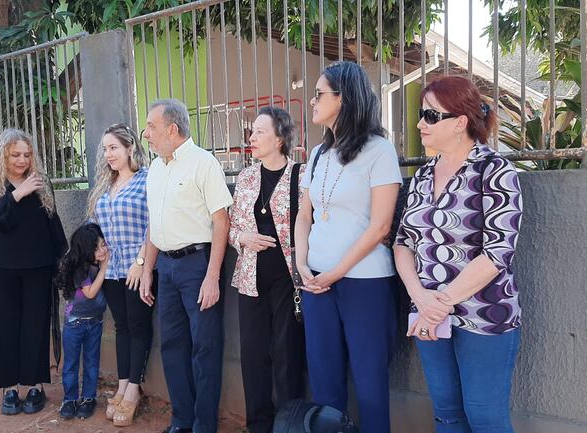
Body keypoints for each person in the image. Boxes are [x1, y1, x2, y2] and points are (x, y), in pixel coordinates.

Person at [394, 75, 523, 433]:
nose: (421, 124)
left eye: (431, 116)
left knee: (485, 417)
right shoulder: (423, 175)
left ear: (460, 122)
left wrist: (442, 302)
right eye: (422, 114)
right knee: (447, 413)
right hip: (429, 312)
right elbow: (403, 242)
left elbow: (498, 251)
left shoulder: (494, 170)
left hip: (484, 315)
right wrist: (422, 299)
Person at [293, 61, 402, 433]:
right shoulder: (317, 155)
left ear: (343, 98)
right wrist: (302, 265)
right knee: (324, 382)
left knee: (370, 384)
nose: (312, 101)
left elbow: (381, 226)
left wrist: (335, 273)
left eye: (319, 94)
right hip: (316, 282)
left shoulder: (379, 151)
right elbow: (303, 216)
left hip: (364, 282)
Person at [140, 98, 233, 433]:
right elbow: (154, 223)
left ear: (172, 129)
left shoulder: (203, 163)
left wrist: (212, 277)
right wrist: (147, 270)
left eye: (151, 126)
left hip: (198, 266)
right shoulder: (155, 168)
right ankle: (181, 421)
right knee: (172, 346)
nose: (146, 134)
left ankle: (203, 425)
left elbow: (221, 221)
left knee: (205, 348)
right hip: (166, 268)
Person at [0, 128, 67, 415]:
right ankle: (10, 388)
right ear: (3, 155)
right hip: (2, 266)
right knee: (5, 326)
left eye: (27, 155)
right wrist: (17, 194)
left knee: (35, 325)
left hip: (38, 265)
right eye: (15, 154)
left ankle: (35, 385)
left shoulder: (40, 180)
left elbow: (52, 221)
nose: (22, 160)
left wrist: (62, 259)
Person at [228, 106, 305, 433]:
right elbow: (231, 228)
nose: (252, 137)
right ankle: (258, 424)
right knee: (253, 353)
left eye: (260, 131)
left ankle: (288, 424)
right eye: (252, 131)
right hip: (250, 278)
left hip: (288, 279)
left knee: (287, 354)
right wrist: (242, 238)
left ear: (280, 138)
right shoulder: (245, 178)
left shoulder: (301, 175)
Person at [86, 123, 153, 427]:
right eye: (105, 149)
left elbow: (155, 222)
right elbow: (93, 224)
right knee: (122, 327)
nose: (108, 154)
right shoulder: (105, 185)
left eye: (113, 148)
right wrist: (95, 249)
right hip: (111, 270)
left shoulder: (146, 179)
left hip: (137, 268)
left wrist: (141, 261)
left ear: (129, 148)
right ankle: (123, 385)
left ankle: (135, 390)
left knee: (138, 327)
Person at [55, 223, 109, 420]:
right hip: (75, 323)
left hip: (95, 322)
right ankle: (70, 399)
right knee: (71, 363)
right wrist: (104, 268)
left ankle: (88, 398)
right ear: (85, 250)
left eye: (103, 244)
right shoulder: (80, 269)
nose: (102, 251)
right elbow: (90, 293)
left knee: (91, 362)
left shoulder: (97, 264)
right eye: (96, 248)